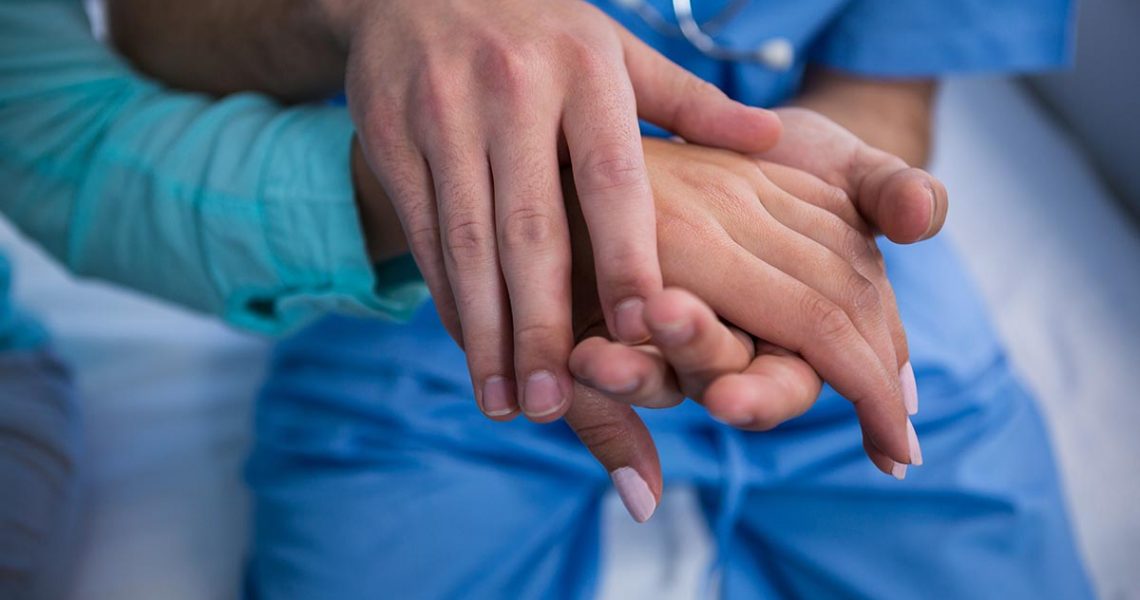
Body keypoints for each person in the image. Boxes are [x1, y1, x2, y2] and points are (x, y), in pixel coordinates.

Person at [107, 0, 1095, 598]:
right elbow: (157, 28)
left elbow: (887, 91)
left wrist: (778, 201)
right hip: (436, 262)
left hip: (815, 221)